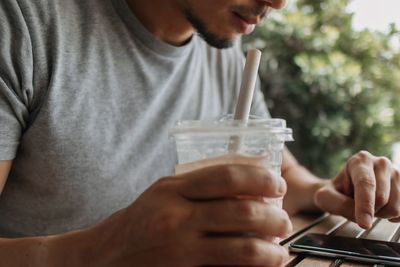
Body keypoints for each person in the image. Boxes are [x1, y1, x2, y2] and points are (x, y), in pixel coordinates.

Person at [0, 0, 399, 266]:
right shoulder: (25, 24)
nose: (278, 1)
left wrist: (328, 191)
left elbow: (281, 176)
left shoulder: (225, 58)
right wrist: (105, 246)